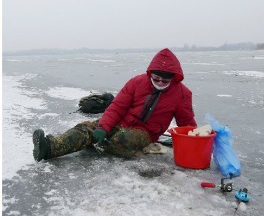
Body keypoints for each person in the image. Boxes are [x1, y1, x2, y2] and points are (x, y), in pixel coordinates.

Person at [32, 48, 196, 161]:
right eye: (156, 79)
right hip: (119, 122)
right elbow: (117, 107)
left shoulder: (182, 94)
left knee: (123, 139)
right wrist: (103, 127)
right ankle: (49, 147)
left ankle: (95, 143)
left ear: (173, 78)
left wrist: (193, 141)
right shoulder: (136, 82)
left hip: (144, 133)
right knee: (87, 128)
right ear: (150, 74)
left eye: (165, 80)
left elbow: (186, 124)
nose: (160, 82)